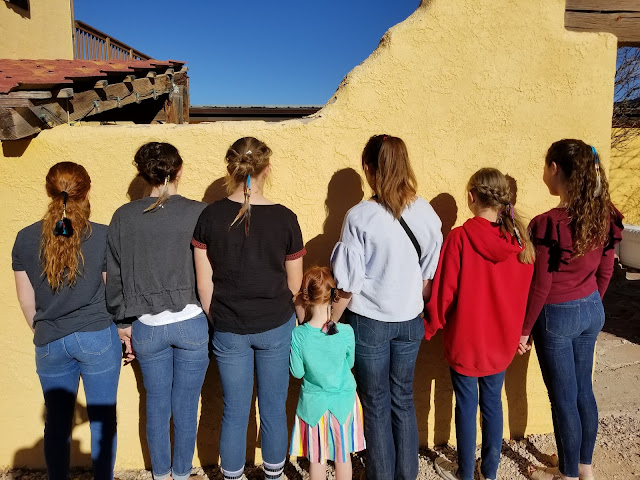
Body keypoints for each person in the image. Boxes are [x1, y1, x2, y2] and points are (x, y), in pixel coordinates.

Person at [192, 136, 305, 480]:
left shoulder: (209, 216)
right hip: (275, 326)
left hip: (228, 328)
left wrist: (218, 318)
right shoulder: (285, 218)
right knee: (273, 409)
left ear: (231, 168)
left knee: (234, 410)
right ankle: (273, 475)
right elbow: (295, 285)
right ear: (267, 168)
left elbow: (204, 284)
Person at [330, 134, 443, 480]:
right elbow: (427, 276)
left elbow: (347, 285)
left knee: (376, 405)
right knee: (402, 400)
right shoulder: (426, 213)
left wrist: (329, 323)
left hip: (370, 323)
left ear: (369, 169)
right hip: (410, 322)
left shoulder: (359, 217)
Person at [521, 140, 623, 480]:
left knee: (563, 399)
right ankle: (584, 467)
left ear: (555, 169)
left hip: (557, 315)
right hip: (591, 308)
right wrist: (590, 303)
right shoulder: (604, 215)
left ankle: (566, 474)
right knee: (583, 391)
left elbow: (541, 285)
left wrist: (524, 330)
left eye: (545, 166)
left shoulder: (548, 224)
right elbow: (606, 271)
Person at [106, 142, 209, 480]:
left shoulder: (123, 216)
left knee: (156, 404)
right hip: (192, 322)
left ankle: (161, 476)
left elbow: (114, 275)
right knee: (186, 407)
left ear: (142, 174)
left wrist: (122, 322)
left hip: (146, 327)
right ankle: (181, 474)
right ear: (179, 170)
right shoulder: (200, 212)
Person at [424, 168, 535, 480]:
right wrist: (521, 333)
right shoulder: (519, 242)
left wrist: (429, 325)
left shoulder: (460, 238)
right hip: (501, 343)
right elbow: (525, 294)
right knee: (492, 404)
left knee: (465, 406)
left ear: (472, 197)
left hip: (465, 341)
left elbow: (444, 292)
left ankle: (465, 473)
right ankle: (490, 472)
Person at [12, 162, 121, 480]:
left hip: (50, 341)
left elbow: (26, 300)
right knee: (103, 420)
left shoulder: (24, 238)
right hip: (97, 336)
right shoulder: (102, 235)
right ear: (87, 191)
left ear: (49, 191)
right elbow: (111, 292)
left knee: (57, 424)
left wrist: (43, 329)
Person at [289, 266, 366, 480]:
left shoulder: (299, 335)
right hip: (344, 403)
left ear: (305, 297)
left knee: (317, 459)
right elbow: (349, 363)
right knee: (343, 457)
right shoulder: (346, 332)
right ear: (333, 296)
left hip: (314, 407)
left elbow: (297, 372)